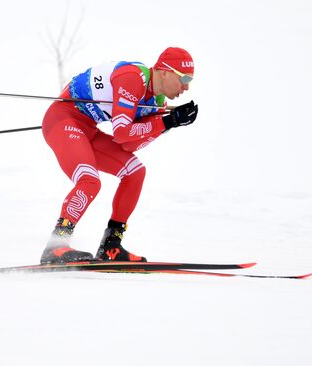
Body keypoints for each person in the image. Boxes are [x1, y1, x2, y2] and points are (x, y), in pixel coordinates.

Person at [40, 47, 198, 264]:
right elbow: (122, 133)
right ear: (164, 71)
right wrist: (164, 122)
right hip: (62, 120)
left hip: (88, 129)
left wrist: (166, 124)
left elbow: (129, 146)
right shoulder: (133, 77)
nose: (187, 86)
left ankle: (111, 245)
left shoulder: (157, 102)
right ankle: (55, 246)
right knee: (89, 181)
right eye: (185, 78)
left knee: (135, 171)